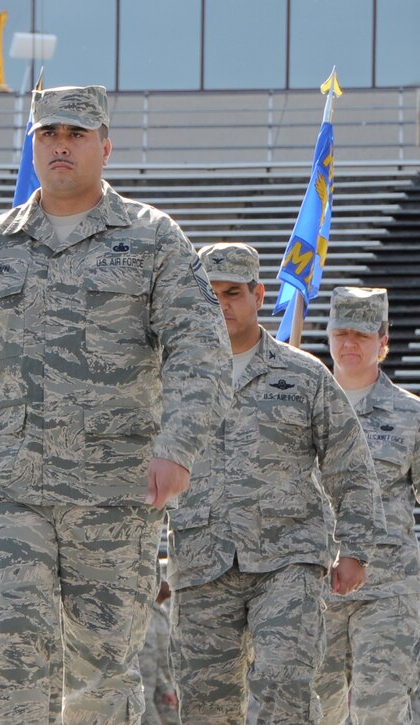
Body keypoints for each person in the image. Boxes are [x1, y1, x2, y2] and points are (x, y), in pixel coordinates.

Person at [0, 84, 233, 723]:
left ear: (106, 146)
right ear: (31, 145)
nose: (61, 146)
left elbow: (200, 349)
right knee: (9, 653)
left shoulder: (152, 240)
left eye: (77, 134)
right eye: (48, 134)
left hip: (115, 491)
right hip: (9, 486)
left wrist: (178, 448)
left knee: (102, 668)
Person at [167, 243, 384, 723]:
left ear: (258, 294)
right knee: (206, 704)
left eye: (233, 293)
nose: (222, 304)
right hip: (203, 560)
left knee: (283, 687)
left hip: (289, 557)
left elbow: (349, 464)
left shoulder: (304, 375)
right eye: (210, 293)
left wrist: (355, 549)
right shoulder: (173, 375)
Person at [312, 286, 420, 723]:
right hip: (313, 586)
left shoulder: (411, 416)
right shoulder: (301, 408)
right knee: (313, 709)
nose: (350, 343)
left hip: (388, 588)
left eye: (362, 334)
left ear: (384, 342)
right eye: (341, 332)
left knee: (381, 707)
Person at [137, 577, 177, 725]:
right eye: (166, 578)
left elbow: (161, 654)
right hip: (144, 688)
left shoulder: (161, 612)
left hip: (160, 687)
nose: (170, 583)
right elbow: (146, 655)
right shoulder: (145, 613)